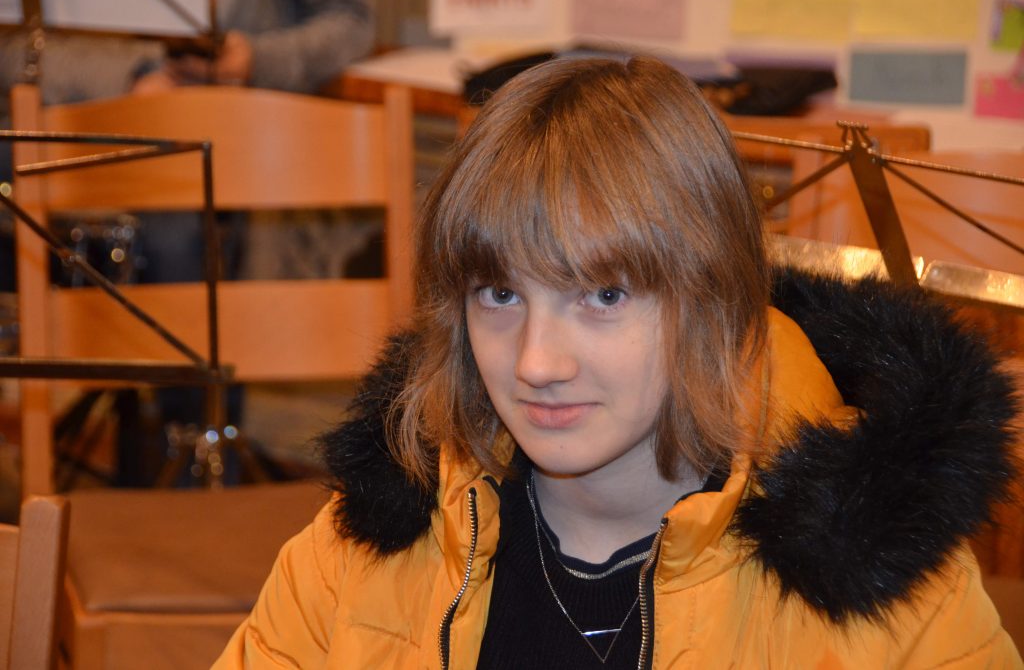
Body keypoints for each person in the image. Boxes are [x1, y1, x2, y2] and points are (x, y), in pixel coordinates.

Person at [214, 56, 1022, 668]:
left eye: (603, 295)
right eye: (500, 293)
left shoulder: (896, 591)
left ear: (713, 300)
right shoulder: (357, 551)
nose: (536, 363)